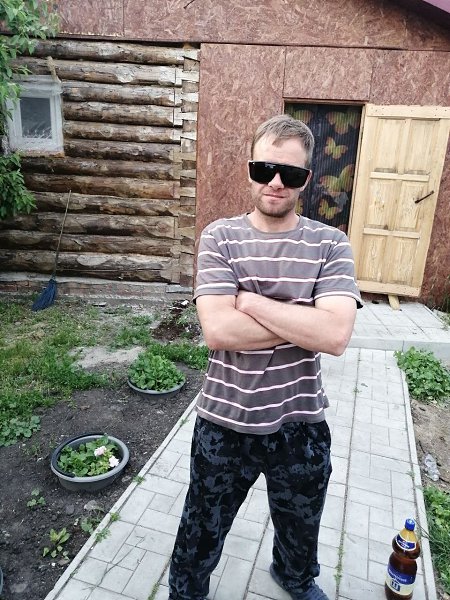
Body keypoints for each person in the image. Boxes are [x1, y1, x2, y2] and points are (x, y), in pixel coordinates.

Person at [168, 114, 362, 600]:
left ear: (306, 179)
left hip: (300, 421)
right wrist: (302, 319)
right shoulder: (220, 237)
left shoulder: (330, 245)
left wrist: (251, 302)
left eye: (289, 173)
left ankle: (294, 578)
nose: (275, 182)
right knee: (200, 527)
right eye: (264, 169)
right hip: (224, 419)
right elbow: (218, 331)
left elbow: (335, 335)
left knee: (301, 524)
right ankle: (186, 591)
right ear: (249, 170)